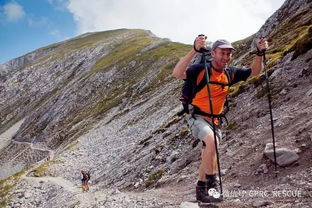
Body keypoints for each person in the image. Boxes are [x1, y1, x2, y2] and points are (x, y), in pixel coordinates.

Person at [172, 35, 268, 204]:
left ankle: (200, 190)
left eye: (228, 54)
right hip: (196, 117)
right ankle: (212, 187)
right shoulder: (200, 70)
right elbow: (177, 73)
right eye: (222, 53)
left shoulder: (230, 73)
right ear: (213, 53)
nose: (225, 57)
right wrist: (193, 50)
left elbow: (254, 72)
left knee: (209, 152)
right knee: (212, 142)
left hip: (216, 120)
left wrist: (259, 53)